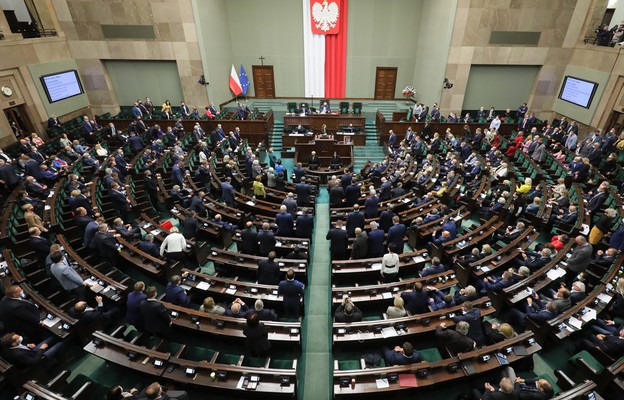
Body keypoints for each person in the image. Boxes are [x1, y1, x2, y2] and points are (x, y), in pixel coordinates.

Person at [0, 332, 65, 368]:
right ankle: (60, 361)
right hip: (37, 359)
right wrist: (41, 349)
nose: (19, 336)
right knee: (61, 344)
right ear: (13, 343)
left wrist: (27, 345)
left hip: (30, 352)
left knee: (53, 337)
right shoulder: (18, 354)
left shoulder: (6, 345)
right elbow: (34, 362)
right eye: (18, 337)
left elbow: (19, 346)